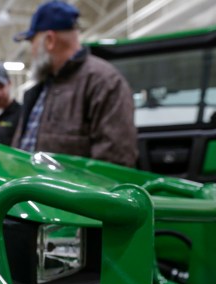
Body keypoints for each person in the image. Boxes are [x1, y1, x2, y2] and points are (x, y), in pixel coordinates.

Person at [11, 1, 138, 167]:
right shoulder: (40, 90)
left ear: (50, 40)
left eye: (32, 42)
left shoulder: (103, 83)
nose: (31, 52)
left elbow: (115, 163)